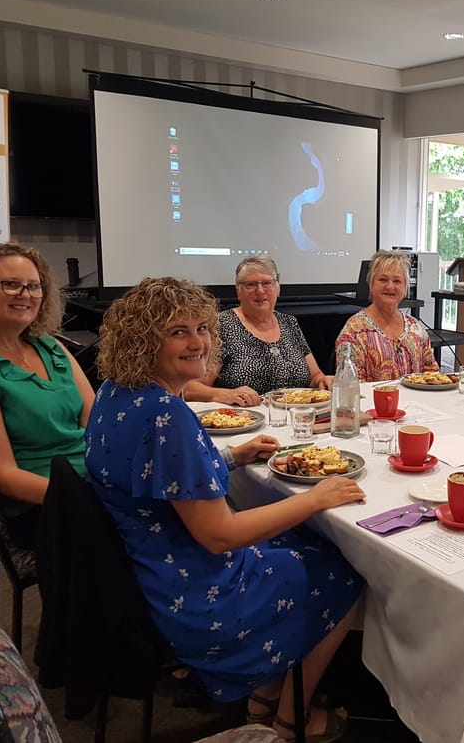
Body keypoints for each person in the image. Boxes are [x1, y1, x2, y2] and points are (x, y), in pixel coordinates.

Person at [86, 277, 365, 742]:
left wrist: (233, 456)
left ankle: (265, 693)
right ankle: (290, 719)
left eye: (202, 328)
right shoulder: (167, 416)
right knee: (345, 569)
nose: (197, 342)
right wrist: (315, 497)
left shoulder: (115, 393)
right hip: (192, 590)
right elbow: (220, 535)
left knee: (304, 539)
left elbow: (156, 474)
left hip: (145, 568)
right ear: (143, 339)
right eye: (178, 332)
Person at [0, 243, 95, 549]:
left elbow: (98, 425)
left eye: (33, 286)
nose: (26, 294)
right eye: (11, 285)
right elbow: (4, 476)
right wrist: (87, 500)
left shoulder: (51, 347)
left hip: (92, 484)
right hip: (40, 506)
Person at [184, 256, 332, 407]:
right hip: (243, 421)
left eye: (267, 283)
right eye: (251, 285)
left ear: (278, 288)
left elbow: (315, 376)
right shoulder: (222, 325)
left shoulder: (289, 323)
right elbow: (190, 388)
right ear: (238, 291)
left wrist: (323, 381)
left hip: (298, 420)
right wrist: (227, 394)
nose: (260, 291)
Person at [335, 250, 439, 381]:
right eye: (383, 280)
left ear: (405, 287)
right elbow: (351, 387)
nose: (390, 286)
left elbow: (432, 375)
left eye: (397, 281)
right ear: (371, 284)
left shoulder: (416, 328)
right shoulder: (354, 331)